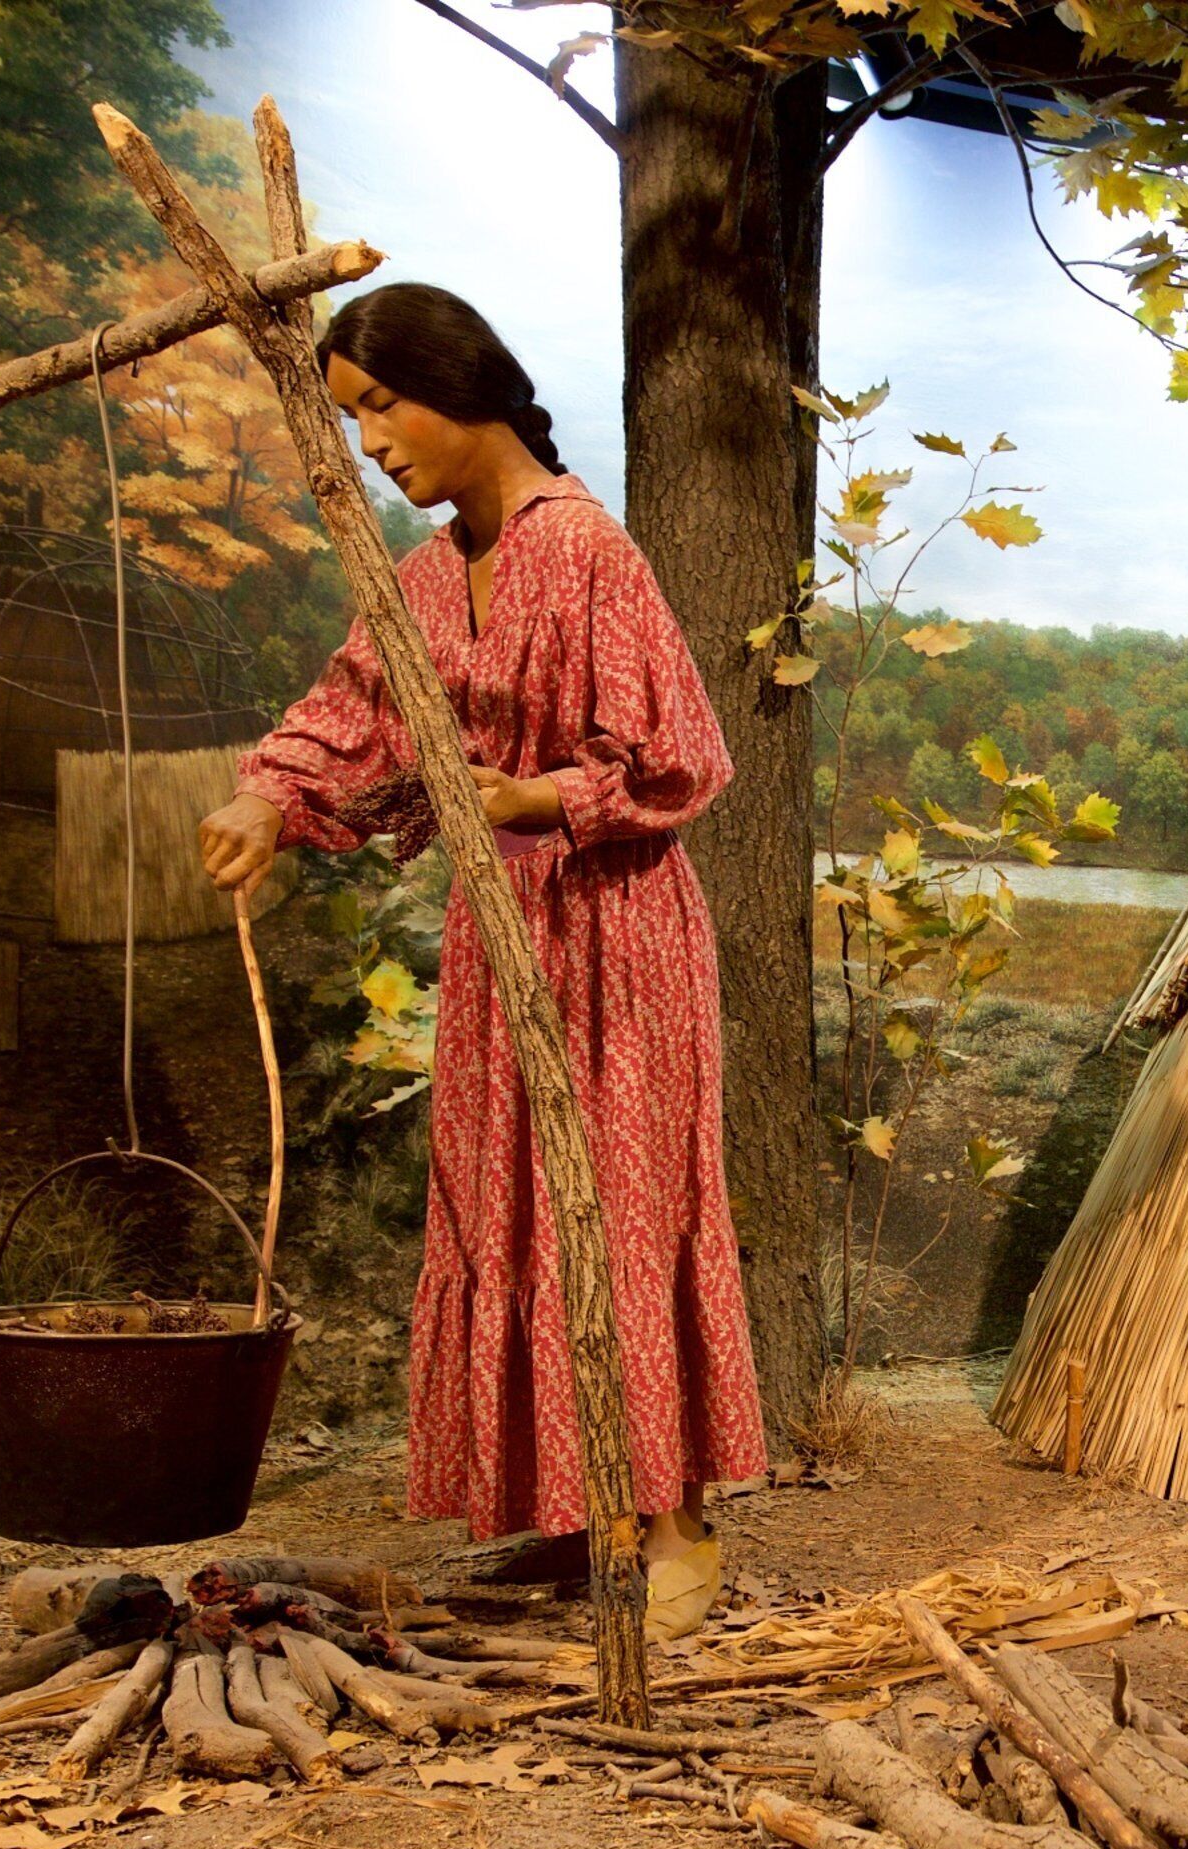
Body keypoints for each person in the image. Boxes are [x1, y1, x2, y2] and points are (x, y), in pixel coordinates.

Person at [193, 283, 761, 1639]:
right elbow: (361, 714)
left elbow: (681, 755)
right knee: (514, 1202)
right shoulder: (430, 579)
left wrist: (540, 800)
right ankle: (581, 1514)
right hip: (503, 934)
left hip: (614, 930)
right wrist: (273, 799)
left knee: (618, 1208)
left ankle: (675, 1524)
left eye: (383, 406)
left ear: (464, 384)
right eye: (352, 416)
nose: (373, 444)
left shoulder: (589, 553)